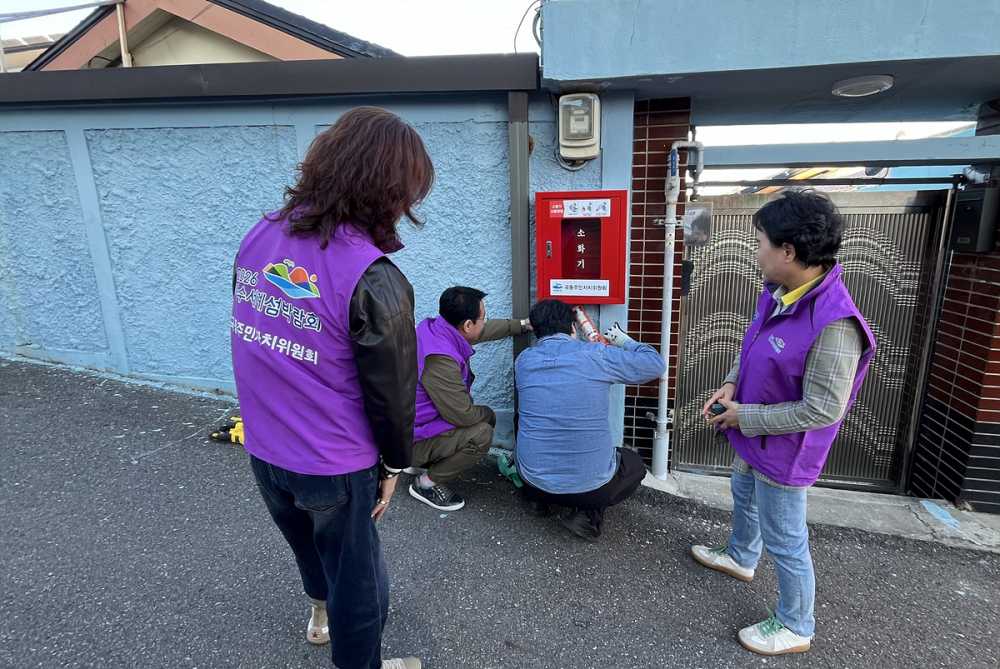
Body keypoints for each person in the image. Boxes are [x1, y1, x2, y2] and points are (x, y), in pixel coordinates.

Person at [231, 107, 431, 669]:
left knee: (308, 545)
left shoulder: (261, 234)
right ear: (388, 191)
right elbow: (392, 393)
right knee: (361, 586)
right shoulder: (373, 276)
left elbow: (254, 333)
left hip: (264, 448)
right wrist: (395, 466)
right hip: (333, 464)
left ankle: (318, 614)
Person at [692, 190, 876, 657]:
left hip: (785, 449)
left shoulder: (834, 323)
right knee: (743, 493)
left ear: (788, 251)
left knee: (786, 539)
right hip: (753, 432)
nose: (756, 253)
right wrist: (730, 384)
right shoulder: (780, 293)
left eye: (760, 243)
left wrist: (744, 416)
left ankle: (796, 624)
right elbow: (752, 345)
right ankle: (740, 556)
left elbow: (823, 409)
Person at [514, 299, 665, 542]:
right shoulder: (596, 354)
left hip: (533, 480)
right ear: (573, 328)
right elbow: (655, 365)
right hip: (592, 489)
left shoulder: (523, 361)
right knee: (634, 464)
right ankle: (587, 516)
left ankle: (537, 501)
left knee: (522, 417)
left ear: (535, 330)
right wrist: (623, 340)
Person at [408, 286, 530, 511]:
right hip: (411, 438)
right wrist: (489, 414)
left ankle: (421, 462)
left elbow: (482, 331)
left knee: (480, 419)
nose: (485, 322)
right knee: (481, 433)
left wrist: (522, 325)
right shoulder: (440, 359)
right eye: (483, 318)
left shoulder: (437, 329)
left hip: (414, 424)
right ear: (467, 325)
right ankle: (425, 483)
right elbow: (462, 415)